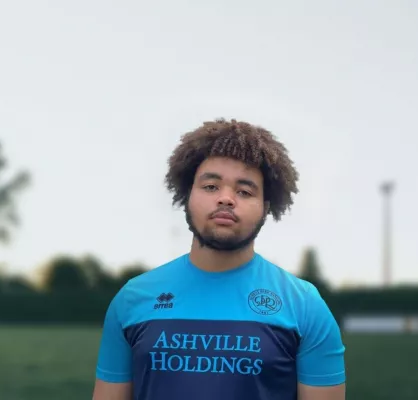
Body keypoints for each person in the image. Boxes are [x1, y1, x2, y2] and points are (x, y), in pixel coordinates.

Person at [92, 119, 346, 400]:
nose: (226, 198)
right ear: (187, 196)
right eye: (211, 187)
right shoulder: (132, 299)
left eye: (244, 191)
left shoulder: (304, 305)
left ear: (265, 208)